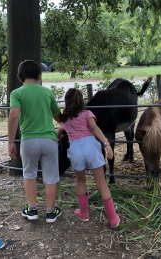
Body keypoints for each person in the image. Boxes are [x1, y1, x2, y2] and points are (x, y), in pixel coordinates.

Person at [8, 60, 62, 223]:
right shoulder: (47, 93)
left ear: (20, 77)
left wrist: (11, 142)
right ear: (39, 75)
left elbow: (14, 116)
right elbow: (58, 116)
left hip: (29, 140)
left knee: (29, 174)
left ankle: (32, 210)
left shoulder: (16, 93)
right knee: (51, 176)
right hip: (49, 140)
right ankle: (51, 212)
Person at [57, 88, 120, 228]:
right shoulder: (87, 114)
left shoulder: (65, 118)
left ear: (66, 102)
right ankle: (113, 218)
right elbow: (95, 128)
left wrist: (58, 137)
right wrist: (107, 143)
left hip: (74, 148)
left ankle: (83, 213)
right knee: (101, 182)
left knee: (80, 180)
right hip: (91, 146)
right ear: (81, 101)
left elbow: (59, 133)